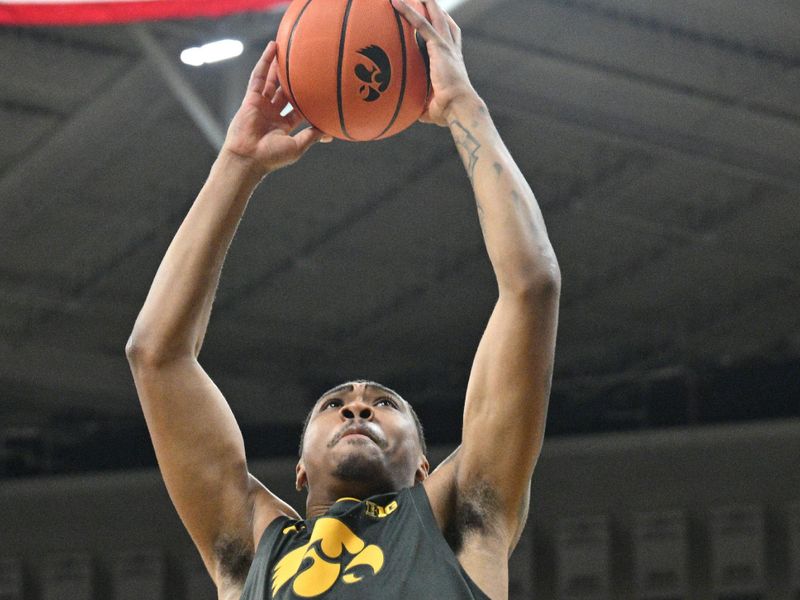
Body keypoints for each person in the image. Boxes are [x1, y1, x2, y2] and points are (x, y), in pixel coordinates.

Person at [125, 0, 560, 598]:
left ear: (426, 467)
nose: (358, 408)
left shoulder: (462, 516)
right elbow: (155, 355)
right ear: (299, 468)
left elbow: (531, 288)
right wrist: (237, 163)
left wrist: (465, 107)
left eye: (383, 403)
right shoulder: (254, 549)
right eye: (335, 404)